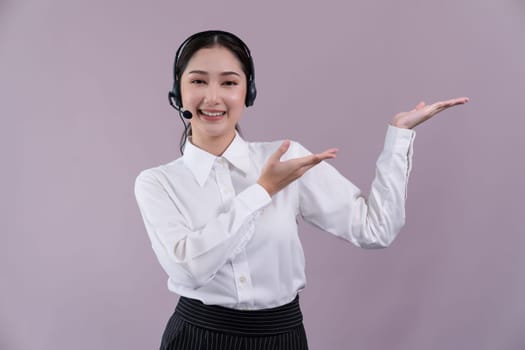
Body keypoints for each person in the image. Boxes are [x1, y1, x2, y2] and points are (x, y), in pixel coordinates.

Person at [134, 30, 469, 350]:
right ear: (177, 93)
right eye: (198, 81)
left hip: (282, 337)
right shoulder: (158, 183)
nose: (213, 97)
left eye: (229, 83)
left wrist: (399, 137)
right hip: (197, 338)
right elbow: (189, 270)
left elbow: (375, 229)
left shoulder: (287, 158)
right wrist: (263, 191)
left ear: (247, 93)